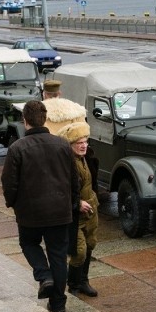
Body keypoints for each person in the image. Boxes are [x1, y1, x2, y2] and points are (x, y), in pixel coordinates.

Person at [2, 100, 79, 312]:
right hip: (60, 211)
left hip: (30, 212)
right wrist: (71, 203)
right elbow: (74, 179)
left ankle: (44, 275)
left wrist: (13, 203)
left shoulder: (17, 148)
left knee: (28, 242)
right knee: (58, 254)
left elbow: (9, 183)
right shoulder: (63, 145)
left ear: (24, 120)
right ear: (44, 119)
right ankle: (58, 303)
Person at [56, 121, 99, 297]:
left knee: (90, 245)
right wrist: (78, 202)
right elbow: (61, 189)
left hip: (91, 210)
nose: (83, 146)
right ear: (70, 145)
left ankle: (83, 281)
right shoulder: (66, 163)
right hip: (75, 213)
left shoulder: (87, 158)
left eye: (85, 142)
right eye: (78, 143)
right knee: (79, 251)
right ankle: (73, 282)